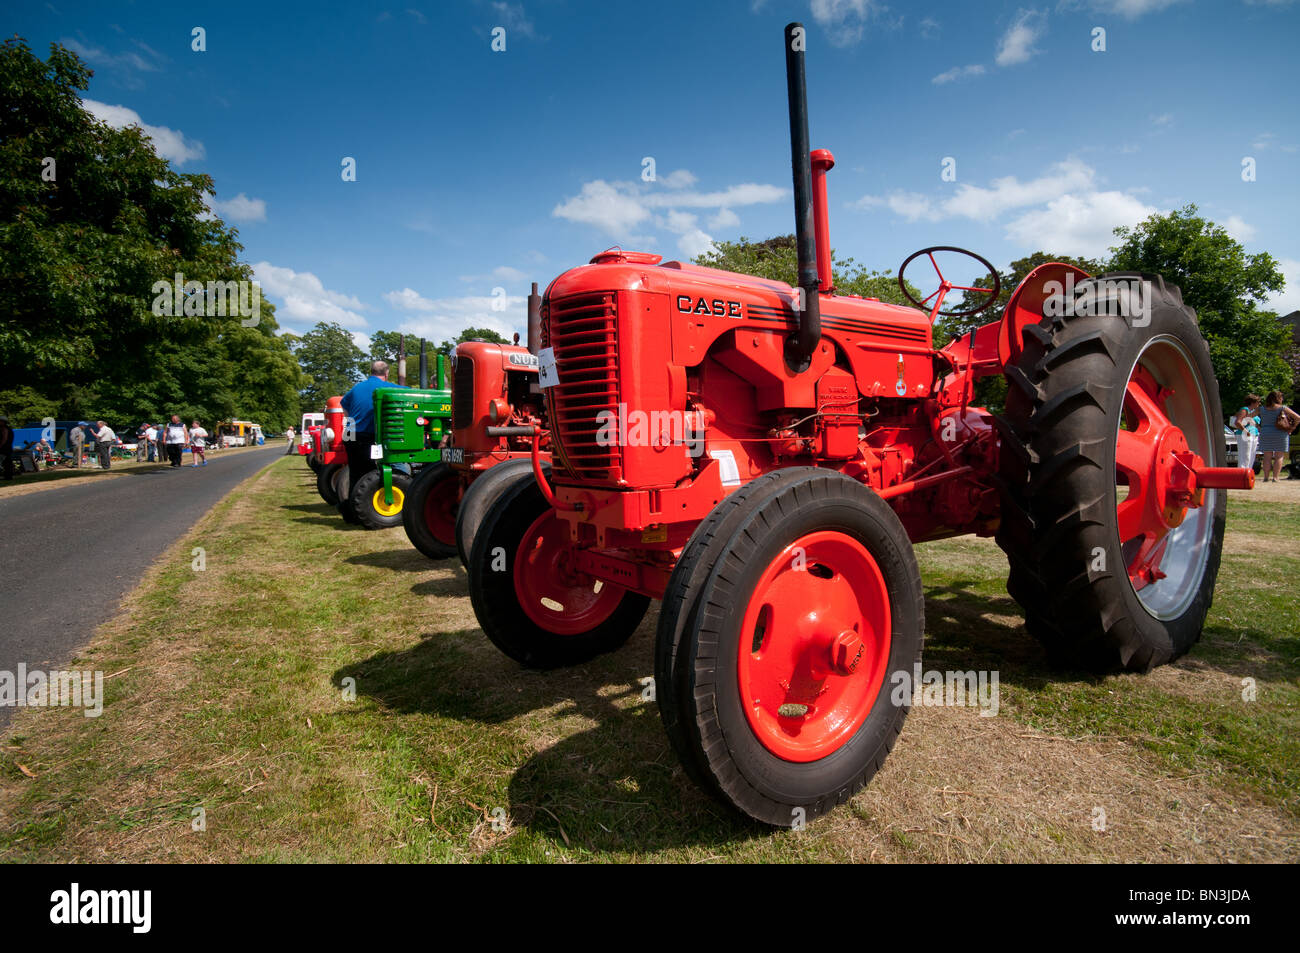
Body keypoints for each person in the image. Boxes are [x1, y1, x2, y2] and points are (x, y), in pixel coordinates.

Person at [339, 360, 404, 517]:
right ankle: (365, 511)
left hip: (350, 434)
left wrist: (351, 422)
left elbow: (343, 404)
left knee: (356, 473)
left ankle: (351, 512)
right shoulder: (389, 388)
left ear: (371, 371)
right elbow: (411, 395)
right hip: (366, 435)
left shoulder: (357, 387)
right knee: (369, 475)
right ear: (387, 373)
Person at [1256, 391, 1300, 482]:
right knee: (1279, 456)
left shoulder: (1262, 409)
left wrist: (1258, 427)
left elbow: (1249, 416)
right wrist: (1291, 428)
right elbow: (1298, 418)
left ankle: (1266, 477)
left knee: (1267, 456)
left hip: (1265, 432)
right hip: (1280, 433)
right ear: (1278, 398)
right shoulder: (1282, 408)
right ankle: (1275, 477)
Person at [1231, 395, 1262, 473]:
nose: (1259, 403)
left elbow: (1256, 425)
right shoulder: (1245, 410)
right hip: (1245, 434)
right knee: (1245, 456)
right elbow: (1237, 422)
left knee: (1252, 456)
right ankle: (1241, 473)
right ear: (1252, 402)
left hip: (1254, 434)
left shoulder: (1254, 412)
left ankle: (1248, 473)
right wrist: (1246, 432)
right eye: (1258, 402)